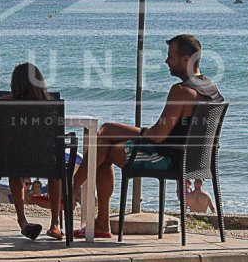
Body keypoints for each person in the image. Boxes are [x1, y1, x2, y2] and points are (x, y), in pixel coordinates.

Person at [72, 34, 222, 238]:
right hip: (193, 161)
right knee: (107, 140)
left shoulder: (182, 91)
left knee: (106, 138)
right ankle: (91, 212)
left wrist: (121, 130)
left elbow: (158, 135)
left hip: (168, 160)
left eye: (171, 56)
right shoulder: (211, 89)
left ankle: (73, 191)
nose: (166, 61)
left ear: (186, 59)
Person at [0, 63, 66, 241]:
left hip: (14, 162)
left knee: (14, 172)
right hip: (45, 162)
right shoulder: (50, 104)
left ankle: (22, 221)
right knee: (55, 174)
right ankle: (55, 224)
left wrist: (3, 102)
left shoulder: (7, 103)